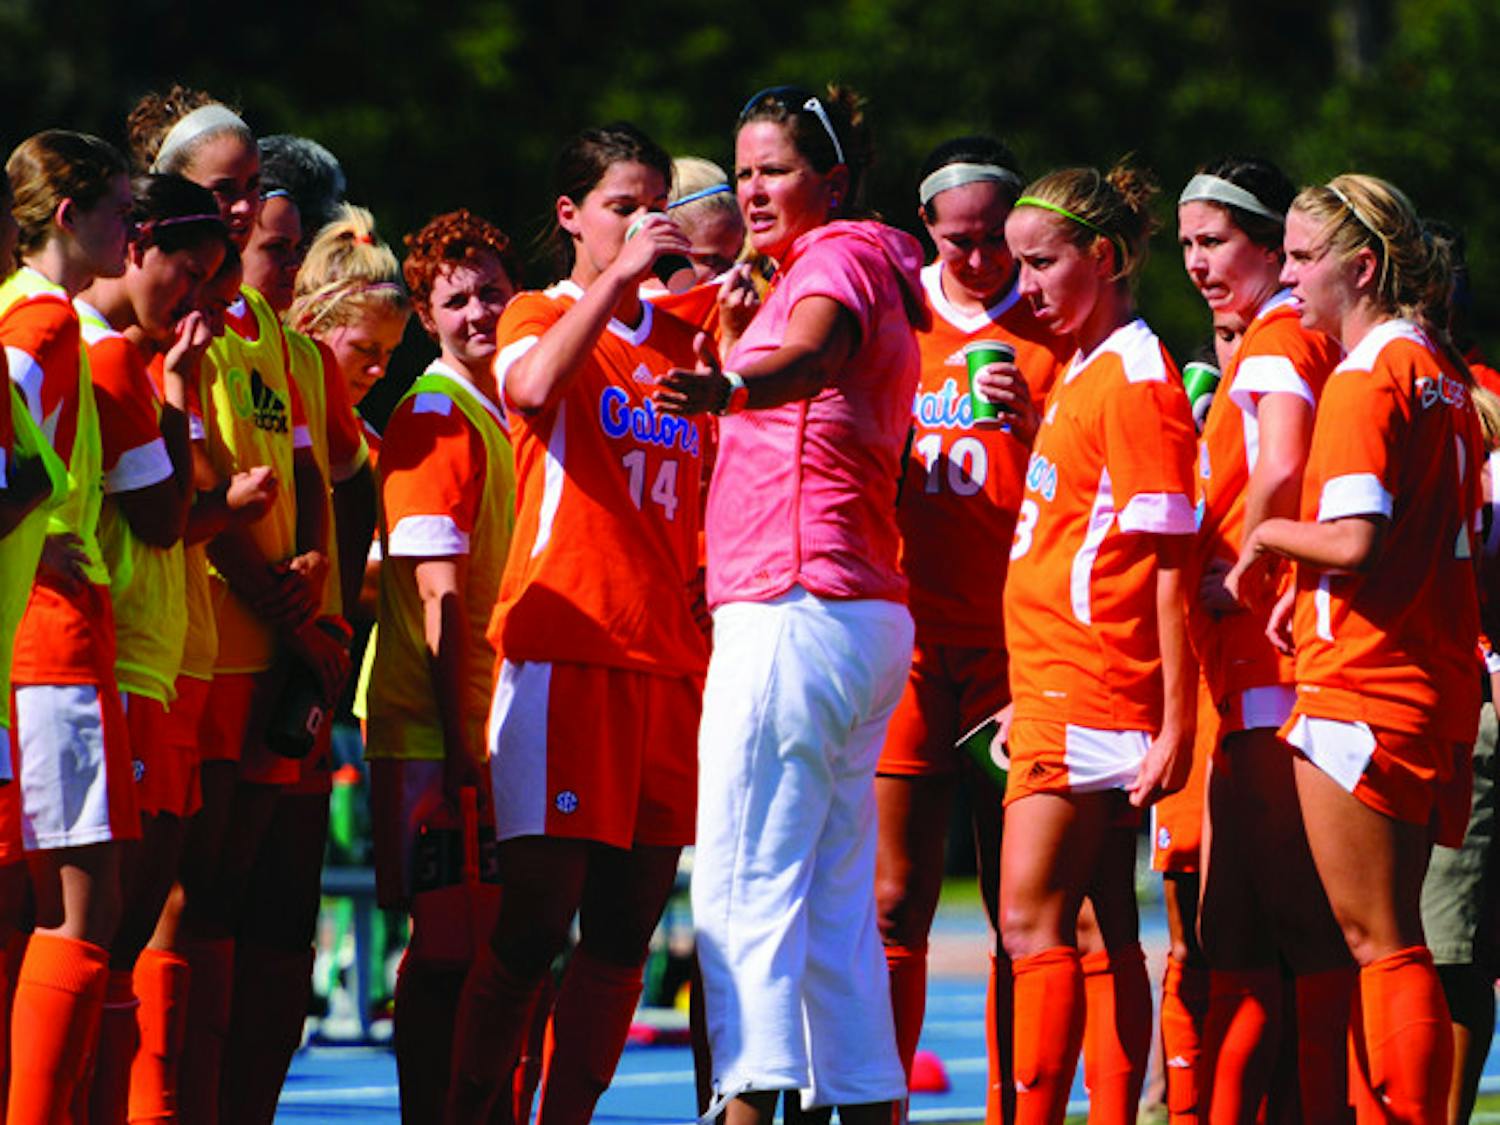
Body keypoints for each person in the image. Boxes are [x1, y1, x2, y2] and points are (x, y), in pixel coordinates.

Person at [655, 83, 926, 1123]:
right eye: (746, 171)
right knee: (826, 893)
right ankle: (860, 1097)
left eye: (776, 169)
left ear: (834, 181)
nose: (755, 190)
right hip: (847, 607)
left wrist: (733, 386)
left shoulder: (839, 259)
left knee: (738, 879)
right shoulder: (850, 262)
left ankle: (749, 1099)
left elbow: (813, 352)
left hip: (798, 601)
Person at [445, 121, 706, 1124]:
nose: (648, 224)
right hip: (567, 651)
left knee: (624, 931)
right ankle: (474, 1108)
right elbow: (537, 387)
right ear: (571, 217)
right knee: (532, 925)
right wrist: (619, 284)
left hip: (669, 662)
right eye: (624, 206)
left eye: (659, 206)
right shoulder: (537, 311)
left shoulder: (689, 342)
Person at [1226, 173, 1482, 1125]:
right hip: (1421, 676)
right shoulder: (1440, 370)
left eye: (1300, 257)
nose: (1287, 280)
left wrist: (1266, 542)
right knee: (1394, 935)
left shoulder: (1366, 372)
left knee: (1381, 944)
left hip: (1365, 687)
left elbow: (1353, 537)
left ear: (1361, 265)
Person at [126, 86, 343, 1124]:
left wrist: (311, 595)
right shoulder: (158, 321)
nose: (249, 213)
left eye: (255, 190)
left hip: (264, 649)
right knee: (168, 898)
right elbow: (187, 485)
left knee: (237, 904)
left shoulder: (273, 332)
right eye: (227, 192)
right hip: (186, 640)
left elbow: (308, 471)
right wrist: (279, 593)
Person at [870, 133, 1069, 1124]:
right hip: (905, 641)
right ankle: (884, 1104)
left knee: (1020, 913)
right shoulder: (891, 319)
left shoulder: (1050, 327)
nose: (983, 260)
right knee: (894, 903)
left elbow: (1099, 485)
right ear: (925, 232)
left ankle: (1012, 1108)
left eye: (1000, 239)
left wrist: (1034, 418)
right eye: (962, 242)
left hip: (1015, 651)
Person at [993, 162, 1197, 1125]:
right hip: (1060, 684)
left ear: (1103, 257)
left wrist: (1173, 722)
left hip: (1091, 687)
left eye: (1042, 262)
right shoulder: (1084, 367)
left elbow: (1169, 564)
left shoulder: (1136, 376)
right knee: (1095, 917)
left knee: (1028, 921)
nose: (1025, 285)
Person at [1176, 157, 1351, 1124]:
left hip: (1268, 671)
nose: (1200, 263)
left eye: (1218, 241)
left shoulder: (1281, 340)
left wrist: (1244, 564)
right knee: (1236, 936)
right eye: (1188, 244)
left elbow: (1281, 466)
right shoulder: (1274, 341)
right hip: (1245, 670)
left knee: (1286, 933)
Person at [72, 172, 228, 1123]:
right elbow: (167, 516)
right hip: (108, 659)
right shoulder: (96, 353)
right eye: (189, 270)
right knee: (93, 930)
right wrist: (174, 384)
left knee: (121, 937)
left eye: (213, 278)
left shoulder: (133, 355)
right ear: (134, 246)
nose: (198, 296)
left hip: (159, 662)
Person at [364, 207, 520, 1123]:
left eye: (492, 290)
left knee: (496, 947)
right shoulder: (435, 415)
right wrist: (461, 745)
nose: (478, 313)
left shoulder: (505, 409)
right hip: (439, 723)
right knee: (448, 950)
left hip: (488, 715)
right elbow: (438, 597)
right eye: (454, 299)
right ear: (427, 315)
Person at [0, 128, 135, 1125]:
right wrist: (38, 513)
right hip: (49, 648)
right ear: (67, 216)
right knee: (81, 922)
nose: (130, 231)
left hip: (34, 641)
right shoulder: (43, 321)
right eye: (121, 211)